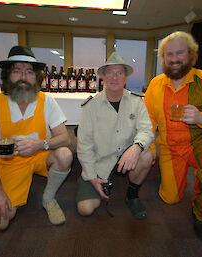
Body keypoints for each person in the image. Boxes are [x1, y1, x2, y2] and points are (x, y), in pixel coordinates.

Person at [144, 31, 202, 241]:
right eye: (169, 54)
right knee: (170, 199)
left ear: (191, 55)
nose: (175, 59)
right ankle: (187, 181)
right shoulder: (155, 85)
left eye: (180, 53)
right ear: (163, 58)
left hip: (200, 142)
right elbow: (147, 121)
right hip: (168, 147)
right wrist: (149, 150)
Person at [0, 46, 73, 232]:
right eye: (17, 71)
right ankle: (8, 191)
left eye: (29, 72)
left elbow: (65, 138)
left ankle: (48, 198)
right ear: (7, 76)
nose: (23, 77)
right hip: (9, 162)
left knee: (65, 155)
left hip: (40, 155)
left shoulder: (46, 101)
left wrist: (40, 144)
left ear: (36, 77)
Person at [76, 52, 154, 219]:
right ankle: (96, 182)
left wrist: (136, 147)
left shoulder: (137, 102)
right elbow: (84, 146)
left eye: (119, 73)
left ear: (125, 78)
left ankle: (132, 195)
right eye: (110, 72)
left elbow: (147, 130)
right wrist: (91, 178)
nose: (114, 77)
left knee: (147, 155)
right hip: (100, 162)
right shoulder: (90, 106)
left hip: (126, 155)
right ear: (103, 77)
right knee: (86, 209)